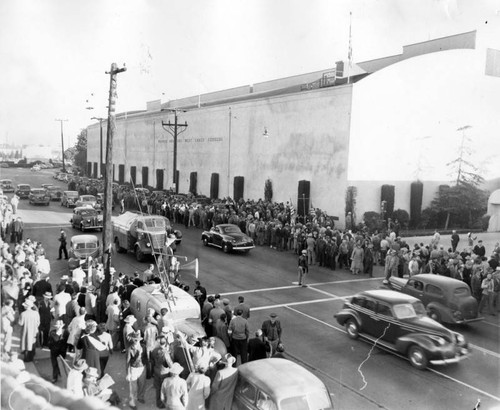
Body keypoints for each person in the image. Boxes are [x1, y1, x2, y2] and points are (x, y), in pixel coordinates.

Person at [151, 333, 174, 408]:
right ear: (166, 343)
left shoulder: (154, 350)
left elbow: (152, 361)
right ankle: (163, 403)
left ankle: (158, 403)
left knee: (158, 388)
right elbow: (170, 364)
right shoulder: (165, 353)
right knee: (164, 389)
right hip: (164, 373)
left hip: (156, 370)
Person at [126, 330, 147, 409]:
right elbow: (127, 362)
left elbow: (146, 357)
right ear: (132, 339)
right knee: (133, 386)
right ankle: (132, 403)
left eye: (137, 339)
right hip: (133, 368)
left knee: (142, 384)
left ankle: (140, 397)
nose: (136, 341)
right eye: (135, 339)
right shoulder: (130, 349)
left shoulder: (144, 347)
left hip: (142, 367)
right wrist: (128, 373)